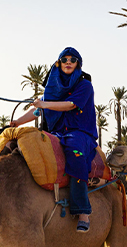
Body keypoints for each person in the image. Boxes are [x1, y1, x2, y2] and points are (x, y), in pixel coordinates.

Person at [11, 47, 98, 232]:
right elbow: (37, 111)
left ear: (78, 64)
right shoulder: (53, 91)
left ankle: (83, 211)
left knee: (75, 153)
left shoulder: (84, 86)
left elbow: (70, 105)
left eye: (72, 59)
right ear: (58, 63)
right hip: (57, 133)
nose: (68, 62)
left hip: (79, 133)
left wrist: (44, 103)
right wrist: (16, 122)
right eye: (64, 59)